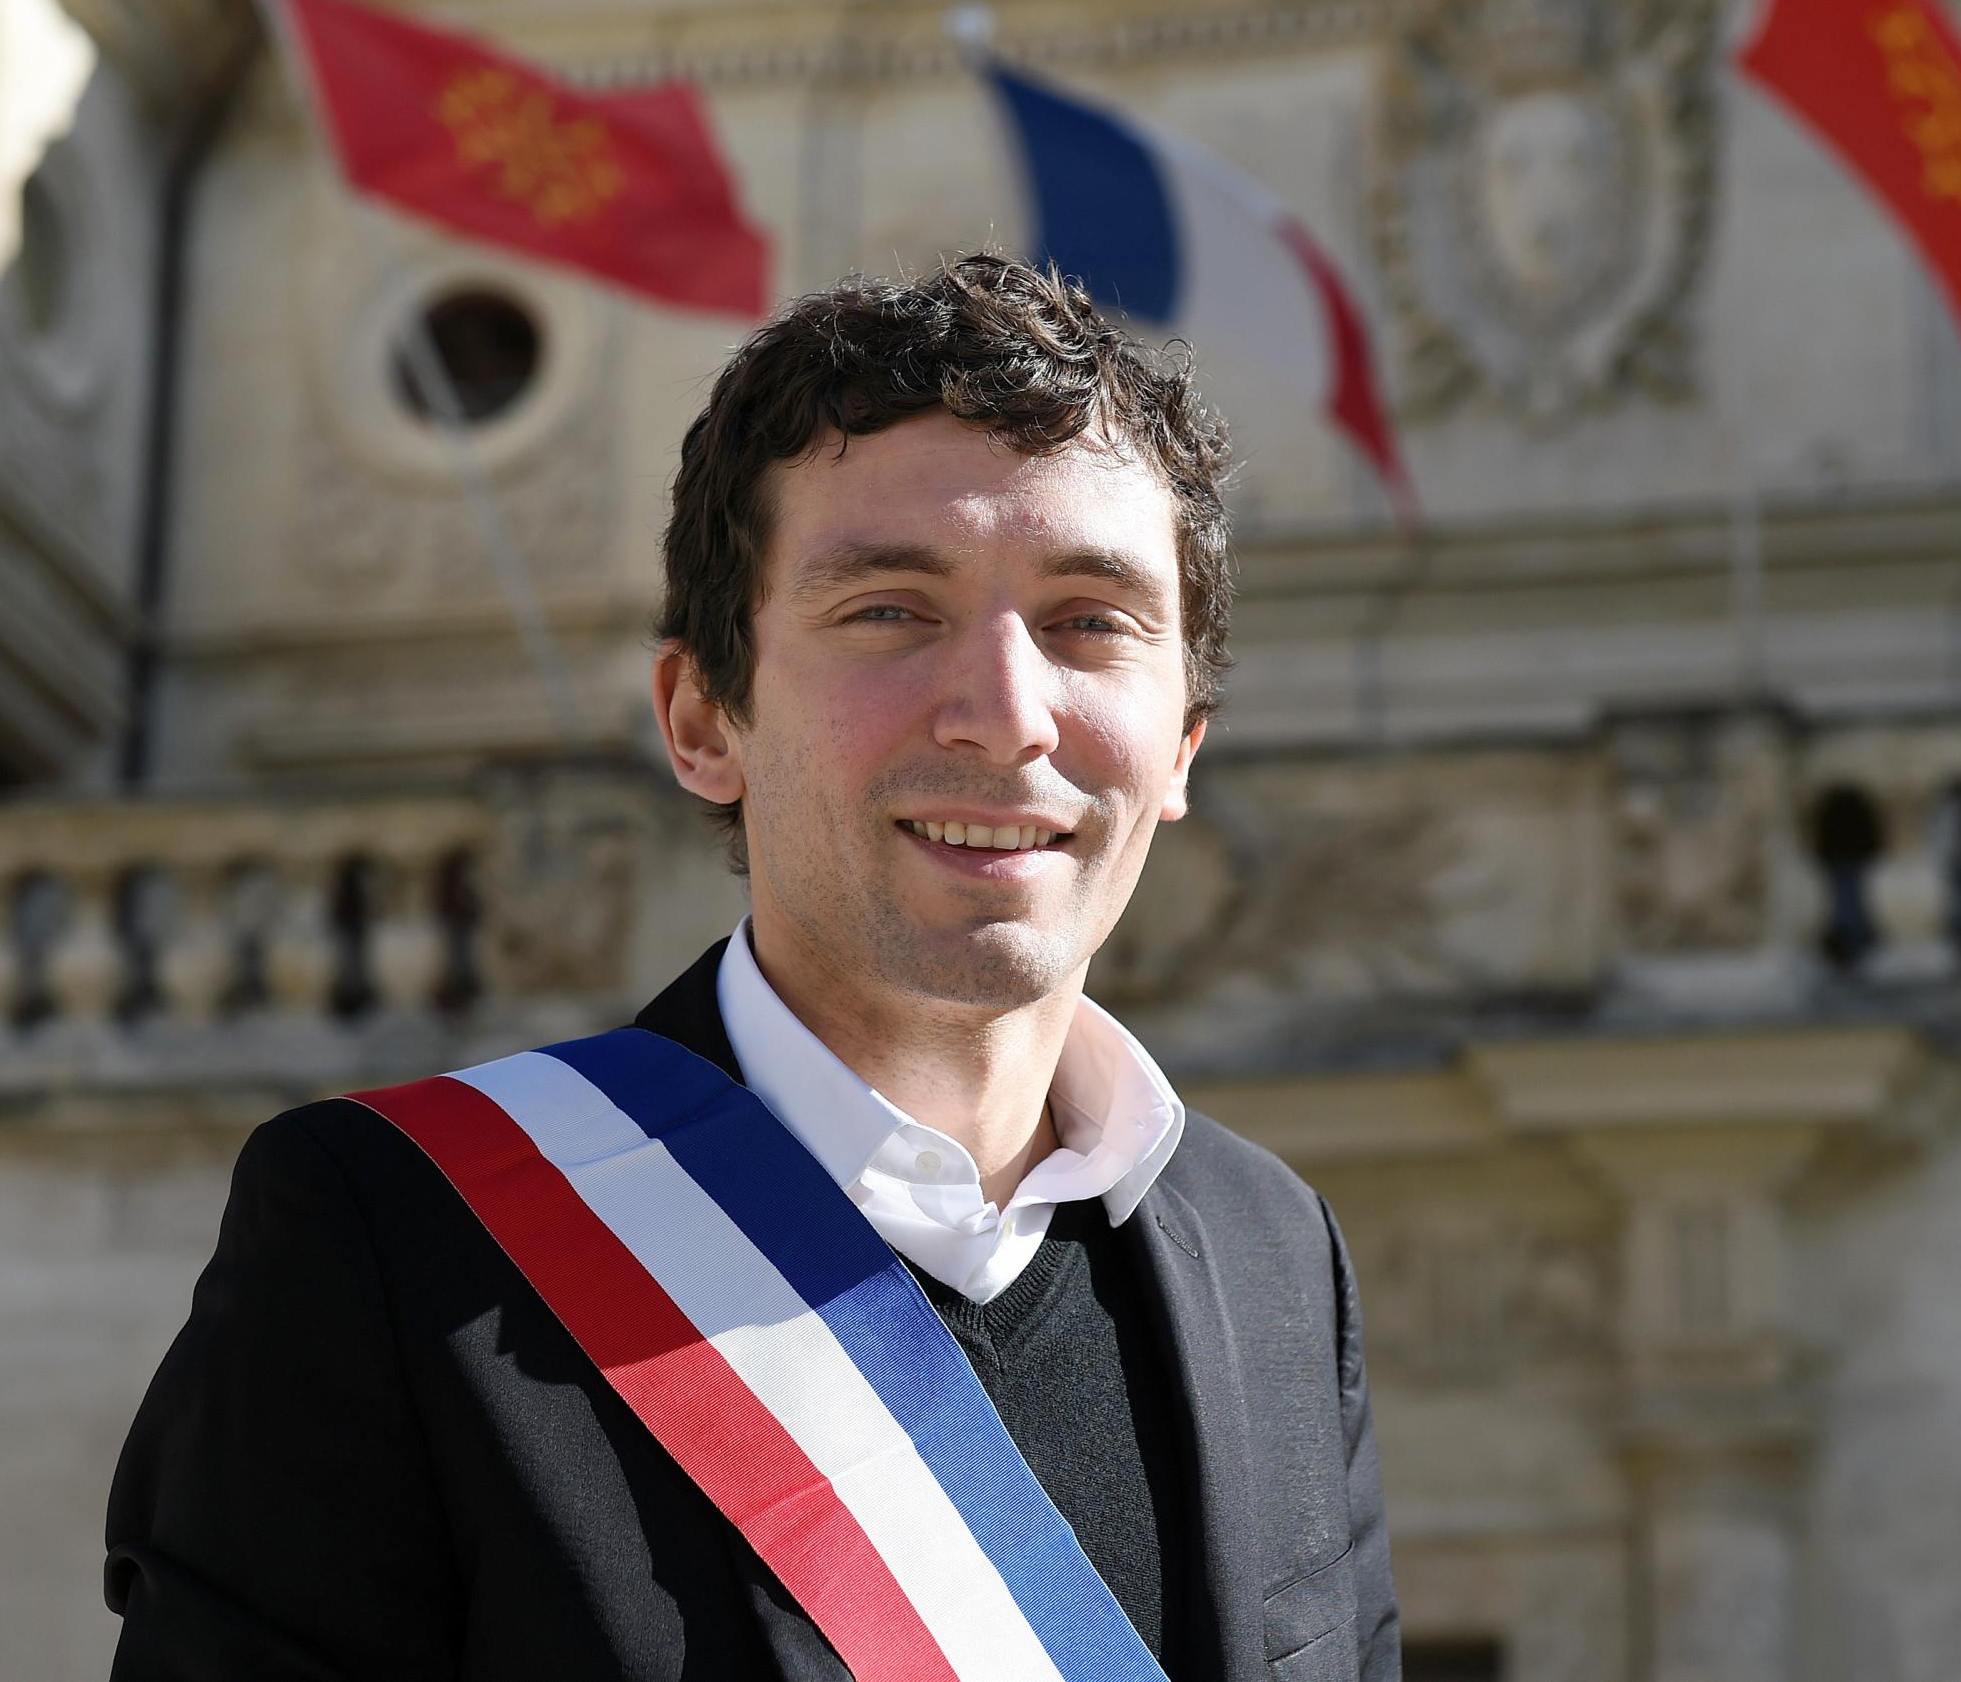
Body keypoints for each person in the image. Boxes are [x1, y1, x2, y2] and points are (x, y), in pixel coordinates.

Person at [104, 253, 1399, 1681]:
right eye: (891, 610)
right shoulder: (390, 1244)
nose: (1007, 714)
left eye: (1093, 619)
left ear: (1182, 750)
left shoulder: (1277, 1259)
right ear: (703, 718)